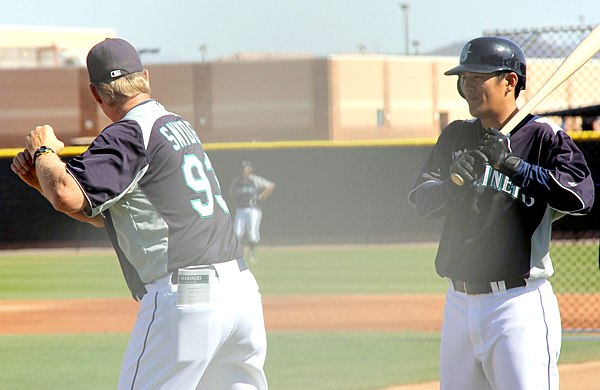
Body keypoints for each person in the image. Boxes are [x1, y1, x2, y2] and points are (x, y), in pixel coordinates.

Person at [10, 38, 268, 390]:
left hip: (190, 294)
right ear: (145, 76)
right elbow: (111, 215)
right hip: (241, 292)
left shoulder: (129, 132)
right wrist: (40, 181)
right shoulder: (176, 124)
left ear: (96, 94)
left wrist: (43, 149)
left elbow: (65, 194)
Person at [408, 36, 594, 389]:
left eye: (478, 77)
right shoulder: (456, 137)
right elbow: (421, 201)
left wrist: (514, 165)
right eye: (464, 79)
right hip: (458, 303)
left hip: (517, 303)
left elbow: (580, 197)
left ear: (510, 81)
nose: (468, 85)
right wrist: (452, 184)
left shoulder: (544, 137)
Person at [228, 161, 275, 262]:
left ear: (251, 170)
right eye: (244, 169)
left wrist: (260, 197)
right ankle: (237, 255)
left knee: (252, 232)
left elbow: (270, 186)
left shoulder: (255, 179)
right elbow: (231, 192)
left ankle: (252, 254)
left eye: (247, 169)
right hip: (241, 209)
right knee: (237, 233)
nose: (245, 171)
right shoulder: (237, 181)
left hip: (253, 209)